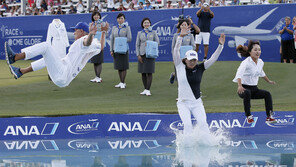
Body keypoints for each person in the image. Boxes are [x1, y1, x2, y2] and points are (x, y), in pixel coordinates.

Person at [5, 22, 109, 88]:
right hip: (64, 79)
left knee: (46, 46)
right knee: (48, 57)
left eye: (75, 30)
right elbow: (101, 48)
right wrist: (103, 33)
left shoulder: (83, 40)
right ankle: (20, 72)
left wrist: (90, 34)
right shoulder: (95, 44)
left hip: (63, 73)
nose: (74, 33)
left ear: (82, 31)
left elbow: (86, 43)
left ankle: (14, 57)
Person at [173, 20, 225, 135]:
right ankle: (186, 147)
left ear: (197, 60)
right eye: (190, 60)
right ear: (185, 60)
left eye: (194, 60)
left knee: (203, 124)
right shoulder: (179, 66)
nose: (192, 62)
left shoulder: (201, 67)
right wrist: (180, 36)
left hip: (196, 102)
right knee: (187, 125)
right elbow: (176, 50)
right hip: (183, 103)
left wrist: (220, 46)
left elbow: (213, 58)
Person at [233, 41, 276, 124]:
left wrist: (269, 81)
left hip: (254, 89)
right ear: (250, 52)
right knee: (247, 93)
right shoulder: (246, 62)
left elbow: (261, 73)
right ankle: (249, 116)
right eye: (255, 50)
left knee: (267, 94)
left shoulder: (260, 62)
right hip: (243, 89)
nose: (257, 52)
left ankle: (269, 117)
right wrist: (239, 86)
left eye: (259, 50)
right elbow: (239, 74)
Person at [136, 18, 159, 96]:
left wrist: (149, 43)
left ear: (150, 24)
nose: (146, 24)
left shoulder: (153, 32)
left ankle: (148, 89)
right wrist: (138, 55)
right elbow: (137, 44)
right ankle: (145, 89)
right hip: (142, 54)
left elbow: (157, 42)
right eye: (145, 23)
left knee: (149, 72)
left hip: (150, 54)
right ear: (142, 24)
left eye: (148, 22)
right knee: (143, 72)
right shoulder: (140, 33)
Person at [170, 18, 196, 84]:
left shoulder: (190, 36)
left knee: (188, 73)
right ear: (180, 26)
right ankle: (173, 75)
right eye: (182, 25)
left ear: (188, 26)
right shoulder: (176, 36)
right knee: (179, 74)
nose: (184, 26)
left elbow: (194, 46)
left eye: (185, 25)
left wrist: (189, 53)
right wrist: (174, 57)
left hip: (187, 58)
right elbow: (173, 47)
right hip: (178, 57)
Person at [110, 13, 132, 89]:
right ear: (117, 19)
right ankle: (121, 82)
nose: (120, 20)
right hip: (116, 49)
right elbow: (112, 39)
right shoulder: (114, 28)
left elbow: (129, 38)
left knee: (124, 66)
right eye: (119, 18)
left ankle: (123, 82)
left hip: (124, 49)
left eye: (122, 18)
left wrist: (120, 40)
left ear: (124, 19)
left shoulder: (127, 27)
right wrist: (111, 50)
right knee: (119, 66)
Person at [89, 11, 105, 83]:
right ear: (92, 17)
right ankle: (96, 77)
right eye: (95, 15)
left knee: (99, 61)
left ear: (99, 16)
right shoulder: (91, 24)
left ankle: (98, 77)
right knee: (95, 61)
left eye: (97, 15)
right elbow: (90, 33)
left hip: (99, 43)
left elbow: (104, 33)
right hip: (93, 44)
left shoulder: (102, 23)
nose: (96, 17)